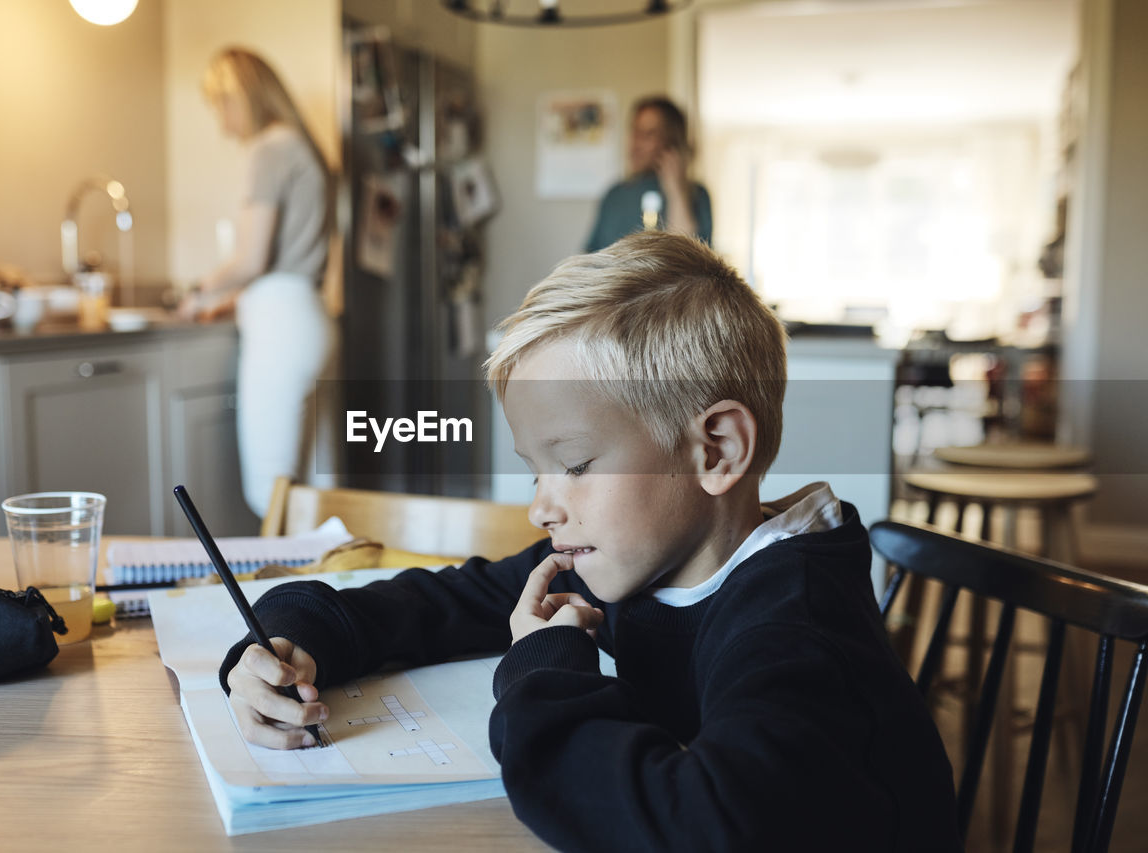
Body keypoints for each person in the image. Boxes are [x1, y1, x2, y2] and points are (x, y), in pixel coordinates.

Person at [218, 232, 961, 851]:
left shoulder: (802, 632)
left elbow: (696, 828)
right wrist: (285, 639)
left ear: (716, 451)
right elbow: (434, 601)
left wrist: (542, 668)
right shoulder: (637, 557)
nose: (543, 505)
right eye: (537, 469)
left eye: (572, 464)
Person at [184, 47, 335, 517]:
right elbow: (288, 261)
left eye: (221, 107)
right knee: (304, 490)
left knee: (268, 495)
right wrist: (231, 303)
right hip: (309, 316)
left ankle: (290, 593)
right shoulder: (304, 147)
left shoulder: (270, 148)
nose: (223, 123)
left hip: (281, 328)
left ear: (242, 98)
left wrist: (196, 293)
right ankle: (326, 589)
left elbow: (252, 258)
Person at [585, 96, 713, 252]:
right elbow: (590, 255)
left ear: (671, 141)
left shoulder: (696, 195)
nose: (636, 142)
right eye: (634, 131)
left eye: (648, 134)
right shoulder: (615, 195)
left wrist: (676, 192)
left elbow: (690, 258)